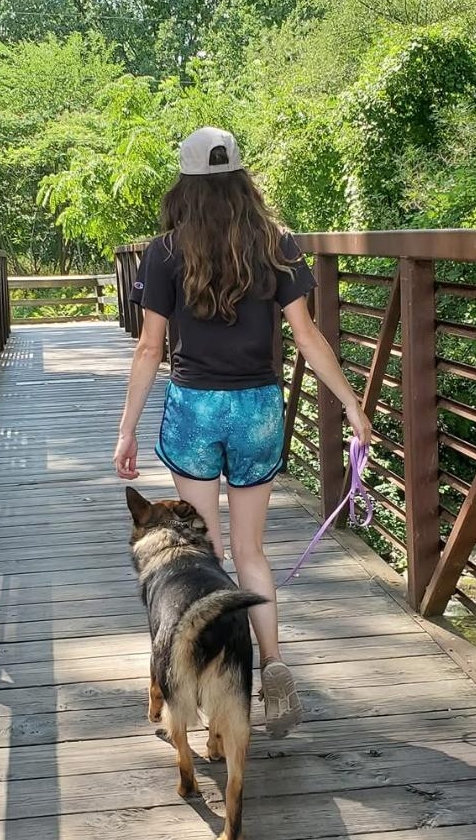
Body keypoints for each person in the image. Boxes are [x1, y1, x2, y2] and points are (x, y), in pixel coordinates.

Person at [113, 126, 372, 737]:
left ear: (186, 183)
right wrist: (353, 407)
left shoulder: (164, 252)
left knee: (208, 556)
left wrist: (126, 431)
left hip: (196, 407)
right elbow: (308, 337)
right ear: (242, 180)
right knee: (252, 553)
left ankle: (210, 690)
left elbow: (151, 348)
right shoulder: (275, 245)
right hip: (258, 407)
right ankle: (275, 663)